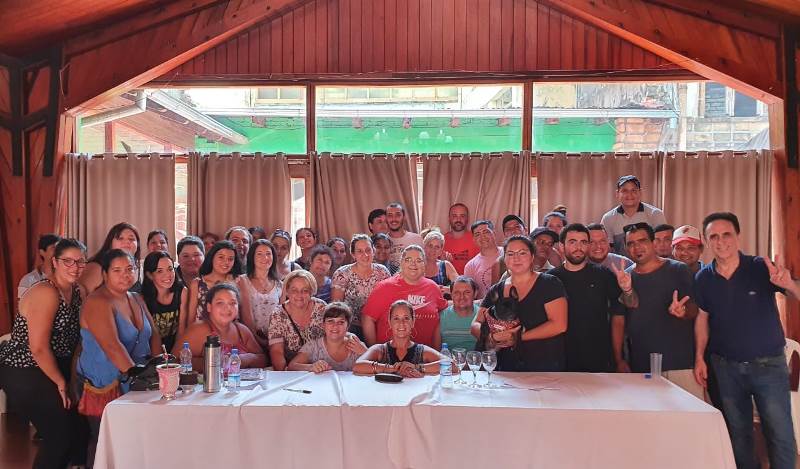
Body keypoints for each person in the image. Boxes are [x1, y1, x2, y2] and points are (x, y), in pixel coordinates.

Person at [694, 212, 799, 469]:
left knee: (780, 434)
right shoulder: (703, 278)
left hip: (768, 366)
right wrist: (699, 357)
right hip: (726, 368)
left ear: (738, 236)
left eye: (726, 234)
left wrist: (790, 284)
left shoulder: (760, 267)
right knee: (738, 435)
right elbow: (702, 319)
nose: (721, 241)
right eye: (713, 236)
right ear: (707, 241)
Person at [0, 239, 87, 469]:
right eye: (68, 261)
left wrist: (71, 378)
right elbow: (38, 348)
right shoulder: (46, 292)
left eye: (80, 262)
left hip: (54, 365)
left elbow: (76, 342)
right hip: (25, 369)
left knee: (77, 433)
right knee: (59, 437)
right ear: (55, 262)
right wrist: (61, 382)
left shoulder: (77, 291)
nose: (75, 267)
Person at [77, 249, 160, 467]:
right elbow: (112, 346)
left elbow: (153, 334)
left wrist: (161, 367)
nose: (125, 274)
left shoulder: (136, 298)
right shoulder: (98, 301)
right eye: (117, 270)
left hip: (139, 380)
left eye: (130, 269)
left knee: (136, 443)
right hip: (105, 384)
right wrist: (140, 376)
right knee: (106, 443)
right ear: (105, 274)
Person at [623, 222, 701, 398]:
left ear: (653, 243)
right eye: (631, 243)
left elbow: (694, 308)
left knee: (689, 413)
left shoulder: (678, 269)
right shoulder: (625, 277)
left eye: (642, 241)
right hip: (642, 365)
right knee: (649, 413)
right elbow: (624, 315)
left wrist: (683, 311)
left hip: (679, 363)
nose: (637, 247)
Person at [472, 235, 568, 371]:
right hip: (505, 367)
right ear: (504, 258)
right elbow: (475, 325)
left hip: (543, 364)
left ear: (532, 256)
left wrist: (517, 337)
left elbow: (559, 325)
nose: (516, 258)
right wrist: (492, 337)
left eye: (522, 253)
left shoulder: (550, 283)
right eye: (510, 254)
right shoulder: (497, 289)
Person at [547, 224, 633, 372]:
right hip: (559, 359)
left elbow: (619, 316)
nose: (578, 247)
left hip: (599, 358)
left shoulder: (604, 275)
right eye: (572, 242)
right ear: (561, 246)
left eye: (583, 242)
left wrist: (618, 358)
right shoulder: (550, 279)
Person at [362, 245, 447, 349]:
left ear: (424, 264)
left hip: (425, 355)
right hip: (390, 356)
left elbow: (441, 319)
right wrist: (374, 351)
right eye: (408, 260)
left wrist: (437, 352)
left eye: (418, 260)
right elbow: (367, 319)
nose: (413, 264)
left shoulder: (433, 288)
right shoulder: (385, 287)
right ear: (401, 263)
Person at [174, 283, 266, 371]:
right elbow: (174, 361)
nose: (227, 308)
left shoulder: (241, 331)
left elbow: (263, 359)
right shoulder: (199, 330)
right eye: (220, 303)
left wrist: (247, 358)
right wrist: (217, 363)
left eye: (232, 303)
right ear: (209, 307)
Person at [353, 300, 448, 377]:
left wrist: (417, 367)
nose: (401, 323)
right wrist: (392, 368)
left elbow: (451, 365)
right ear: (390, 322)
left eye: (406, 318)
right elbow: (357, 366)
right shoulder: (380, 349)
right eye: (396, 318)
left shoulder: (421, 351)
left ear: (413, 322)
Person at [331, 234, 391, 339]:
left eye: (368, 250)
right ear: (353, 254)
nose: (365, 255)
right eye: (359, 251)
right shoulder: (342, 274)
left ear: (373, 251)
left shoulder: (382, 271)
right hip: (352, 327)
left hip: (379, 323)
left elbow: (389, 301)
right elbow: (337, 307)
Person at [267, 270, 327, 370]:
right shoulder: (278, 314)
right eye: (294, 290)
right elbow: (276, 352)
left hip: (322, 368)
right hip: (293, 370)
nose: (299, 295)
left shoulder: (321, 307)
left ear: (311, 292)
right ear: (287, 292)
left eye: (305, 290)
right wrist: (283, 373)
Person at [287, 302, 368, 372]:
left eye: (341, 322)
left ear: (347, 326)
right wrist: (310, 367)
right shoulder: (314, 346)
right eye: (330, 321)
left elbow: (374, 371)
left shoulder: (356, 345)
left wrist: (365, 352)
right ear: (323, 325)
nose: (335, 326)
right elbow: (291, 366)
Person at [600, 175, 667, 256]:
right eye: (625, 191)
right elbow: (607, 250)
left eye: (634, 190)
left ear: (640, 192)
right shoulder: (608, 218)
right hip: (621, 263)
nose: (629, 194)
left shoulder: (655, 214)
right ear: (617, 193)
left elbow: (663, 247)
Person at [185, 240, 243, 331]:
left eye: (230, 259)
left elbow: (244, 316)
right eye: (221, 257)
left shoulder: (238, 281)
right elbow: (190, 320)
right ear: (212, 257)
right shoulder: (197, 283)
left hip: (231, 333)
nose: (226, 262)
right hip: (202, 333)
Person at [238, 239, 283, 348]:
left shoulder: (280, 284)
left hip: (275, 340)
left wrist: (274, 342)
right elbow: (246, 317)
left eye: (268, 254)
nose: (265, 258)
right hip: (249, 338)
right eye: (259, 254)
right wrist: (258, 340)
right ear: (252, 257)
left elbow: (282, 316)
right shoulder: (242, 280)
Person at [141, 251, 187, 352]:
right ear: (149, 275)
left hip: (176, 347)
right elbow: (150, 335)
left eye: (170, 269)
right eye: (160, 271)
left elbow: (181, 328)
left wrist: (175, 355)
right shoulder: (142, 298)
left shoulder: (182, 292)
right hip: (151, 351)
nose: (168, 275)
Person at [80, 222, 142, 294]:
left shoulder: (139, 267)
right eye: (120, 238)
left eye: (131, 239)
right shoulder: (96, 267)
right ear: (110, 243)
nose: (127, 241)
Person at [439, 276, 480, 351]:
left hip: (477, 358)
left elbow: (490, 348)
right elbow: (436, 351)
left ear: (475, 293)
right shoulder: (441, 317)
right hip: (448, 358)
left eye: (467, 292)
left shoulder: (483, 315)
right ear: (451, 295)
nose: (462, 297)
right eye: (457, 293)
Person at [464, 220, 502, 299]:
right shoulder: (470, 266)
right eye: (477, 234)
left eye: (486, 232)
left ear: (494, 233)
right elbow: (469, 294)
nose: (482, 237)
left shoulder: (508, 253)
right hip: (485, 305)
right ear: (474, 239)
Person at [17, 233, 61, 300]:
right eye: (54, 248)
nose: (58, 252)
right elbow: (22, 305)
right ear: (42, 252)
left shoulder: (67, 277)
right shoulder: (28, 280)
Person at [444, 203, 479, 274]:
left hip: (470, 280)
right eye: (454, 216)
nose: (458, 219)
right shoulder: (441, 240)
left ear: (467, 219)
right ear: (449, 218)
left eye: (462, 216)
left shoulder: (477, 238)